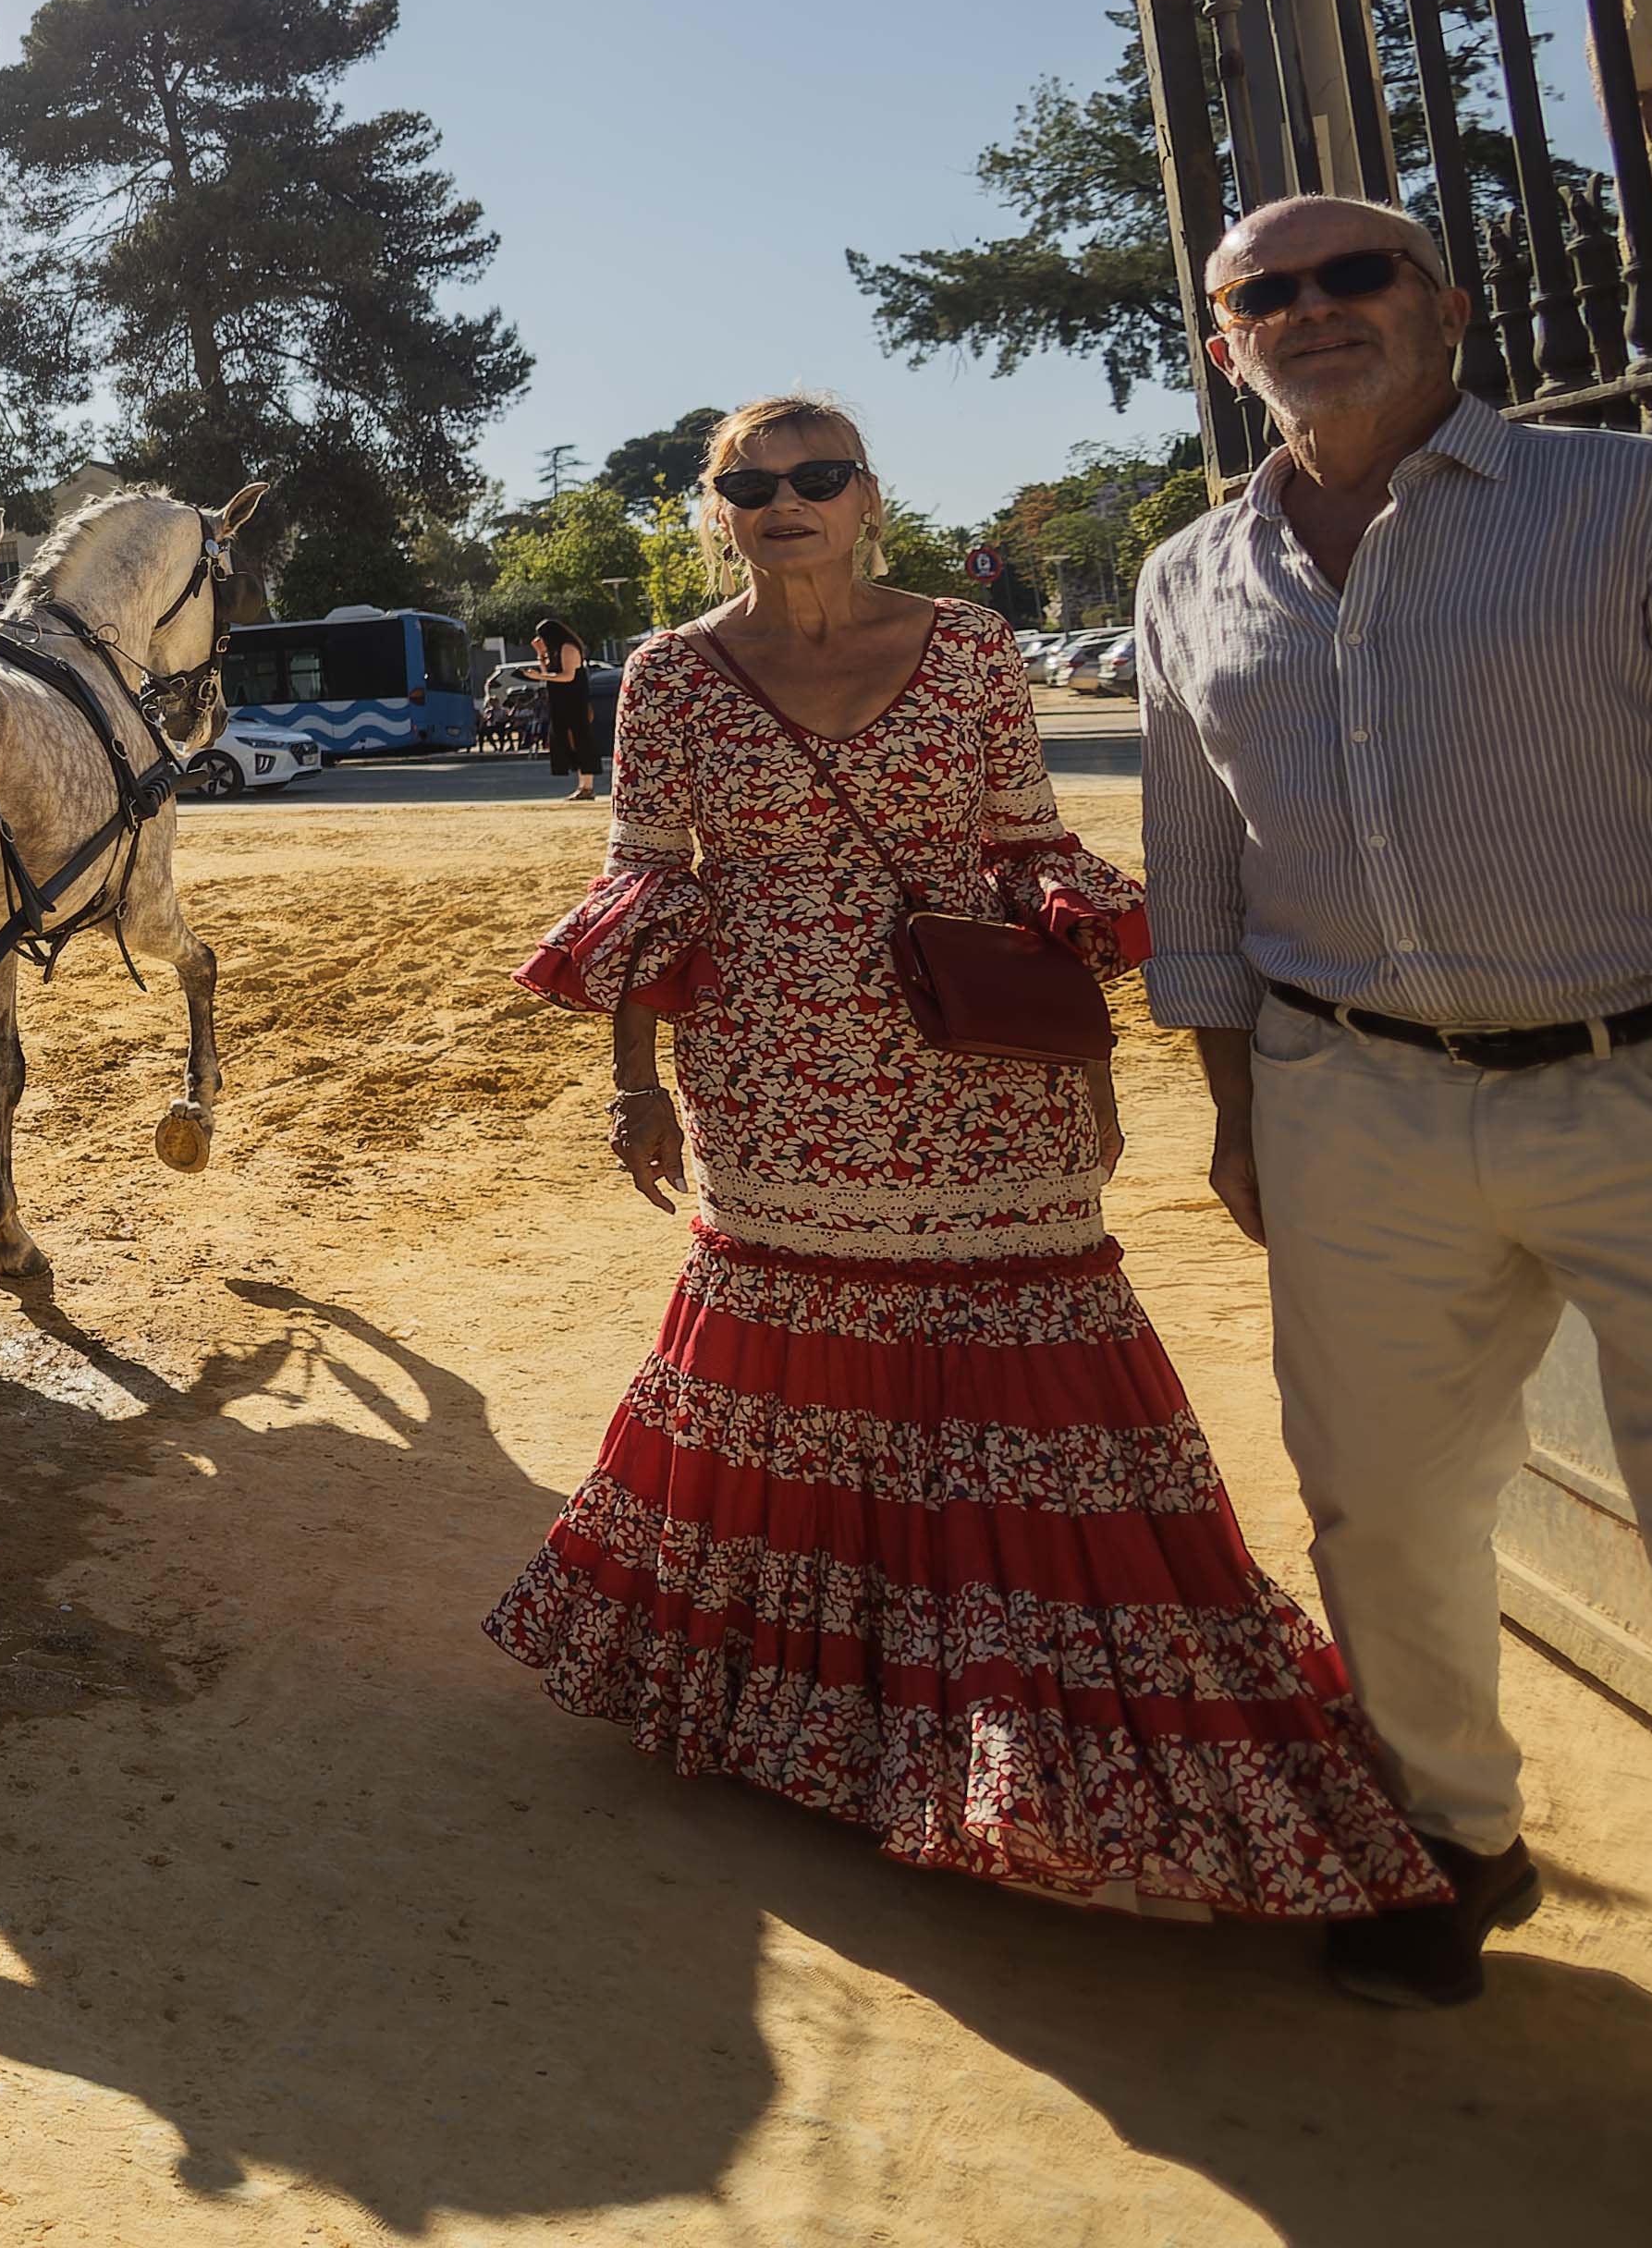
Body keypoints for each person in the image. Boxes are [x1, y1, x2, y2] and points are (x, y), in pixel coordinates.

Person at [496, 391, 1438, 1920]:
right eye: (753, 482)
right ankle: (828, 1721)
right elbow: (644, 883)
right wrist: (632, 1086)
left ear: (869, 496)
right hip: (766, 1077)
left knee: (1027, 1340)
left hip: (976, 1072)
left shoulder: (968, 646)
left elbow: (1027, 854)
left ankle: (1042, 1736)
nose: (785, 499)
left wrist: (1089, 1060)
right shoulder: (668, 671)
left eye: (816, 475)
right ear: (716, 508)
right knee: (800, 1356)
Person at [1137, 198, 1652, 2154]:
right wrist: (1244, 1112)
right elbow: (1202, 886)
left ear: (1448, 309)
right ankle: (1449, 1835)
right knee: (1381, 1508)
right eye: (1269, 294)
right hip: (1358, 1109)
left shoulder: (1645, 505)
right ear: (1222, 340)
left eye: (1357, 279)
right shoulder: (1187, 577)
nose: (1315, 314)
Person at [529, 615, 598, 800]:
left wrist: (540, 677)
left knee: (580, 740)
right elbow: (548, 672)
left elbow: (568, 676)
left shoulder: (569, 648)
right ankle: (582, 785)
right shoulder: (555, 651)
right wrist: (540, 654)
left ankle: (587, 786)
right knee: (566, 742)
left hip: (574, 701)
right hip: (560, 702)